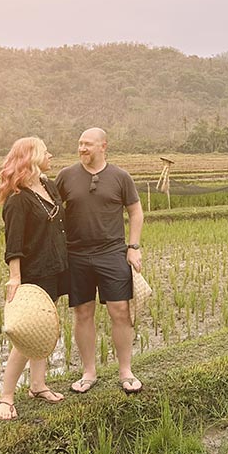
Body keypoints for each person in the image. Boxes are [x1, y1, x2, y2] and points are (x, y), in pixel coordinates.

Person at [56, 127, 144, 395]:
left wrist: (134, 247)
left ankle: (125, 371)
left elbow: (135, 211)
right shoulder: (65, 176)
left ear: (103, 146)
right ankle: (88, 372)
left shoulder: (120, 177)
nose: (82, 148)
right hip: (77, 254)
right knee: (83, 313)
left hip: (112, 253)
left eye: (88, 144)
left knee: (120, 311)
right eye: (80, 144)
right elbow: (52, 212)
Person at [0, 136, 69, 420]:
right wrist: (15, 278)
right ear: (33, 158)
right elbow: (13, 244)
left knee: (44, 327)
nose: (50, 155)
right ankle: (6, 396)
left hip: (56, 266)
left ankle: (38, 385)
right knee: (26, 338)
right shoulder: (18, 199)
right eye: (45, 151)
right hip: (34, 272)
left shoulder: (48, 186)